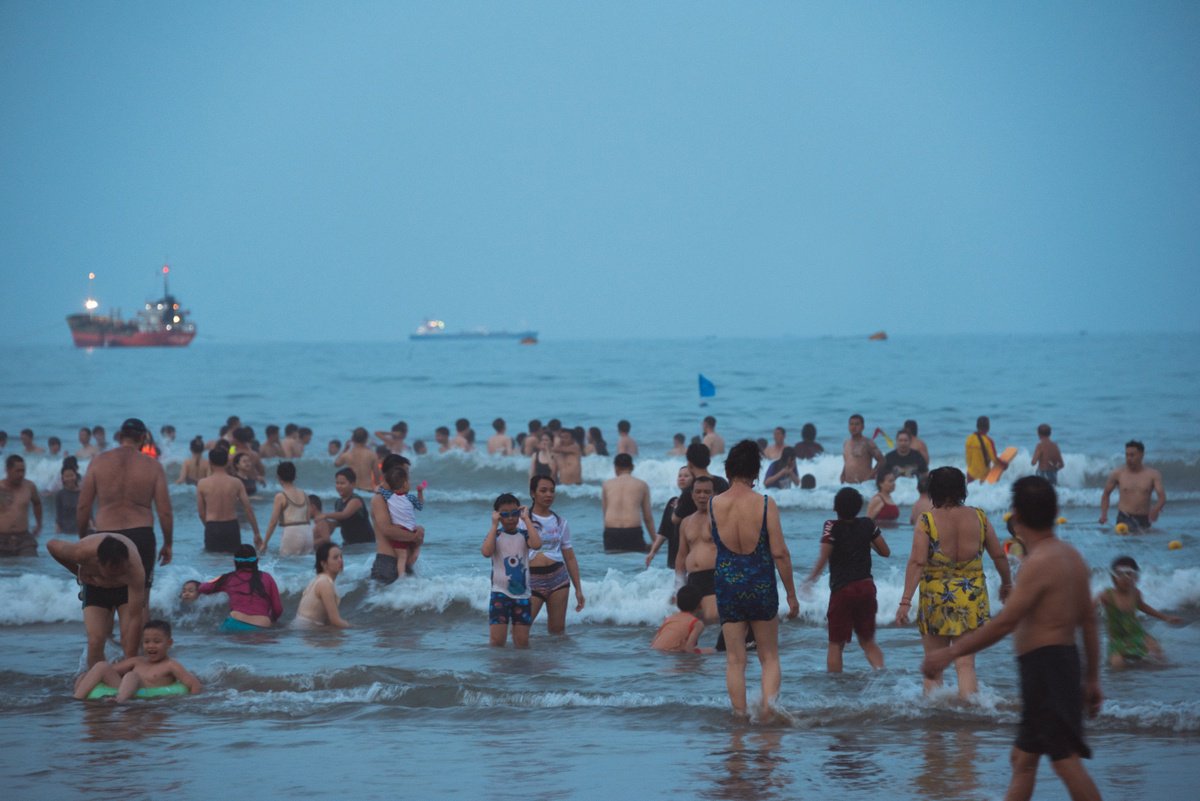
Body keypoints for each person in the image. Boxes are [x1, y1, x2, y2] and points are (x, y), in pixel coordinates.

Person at [922, 476, 1102, 801]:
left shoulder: (1039, 563)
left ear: (1016, 515)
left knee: (1065, 762)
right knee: (1022, 759)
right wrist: (1091, 677)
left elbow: (1005, 623)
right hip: (1057, 666)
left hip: (1047, 669)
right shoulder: (1071, 556)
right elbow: (1089, 621)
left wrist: (950, 654)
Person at [895, 466, 1013, 699]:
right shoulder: (979, 517)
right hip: (971, 597)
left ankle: (932, 726)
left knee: (934, 668)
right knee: (966, 664)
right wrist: (1006, 583)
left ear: (933, 490)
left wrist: (905, 601)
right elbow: (999, 555)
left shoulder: (927, 521)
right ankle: (968, 725)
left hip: (936, 598)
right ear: (962, 489)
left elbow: (917, 562)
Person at [710, 441, 799, 718]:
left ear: (728, 470)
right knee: (768, 656)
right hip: (760, 583)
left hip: (727, 584)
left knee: (735, 660)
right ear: (756, 472)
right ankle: (767, 714)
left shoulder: (715, 503)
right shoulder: (764, 503)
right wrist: (791, 595)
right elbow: (780, 553)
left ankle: (739, 717)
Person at [75, 418, 173, 603]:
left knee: (103, 600)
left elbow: (83, 506)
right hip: (141, 535)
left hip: (105, 536)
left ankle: (108, 632)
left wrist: (83, 539)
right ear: (144, 438)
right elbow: (165, 512)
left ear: (120, 436)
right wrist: (168, 543)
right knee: (140, 602)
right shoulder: (153, 466)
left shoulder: (98, 462)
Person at [803, 487, 890, 672]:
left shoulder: (831, 526)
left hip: (843, 590)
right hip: (866, 587)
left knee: (836, 644)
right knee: (868, 641)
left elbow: (824, 556)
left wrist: (810, 579)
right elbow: (885, 552)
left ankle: (835, 687)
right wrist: (866, 540)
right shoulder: (868, 524)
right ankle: (882, 676)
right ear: (859, 507)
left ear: (836, 508)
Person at [47, 532, 146, 665]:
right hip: (96, 587)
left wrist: (130, 662)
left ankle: (129, 670)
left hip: (125, 590)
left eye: (121, 571)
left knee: (129, 639)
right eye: (112, 572)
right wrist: (76, 571)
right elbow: (51, 545)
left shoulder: (135, 570)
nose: (117, 575)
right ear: (98, 562)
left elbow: (135, 618)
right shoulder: (81, 552)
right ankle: (97, 676)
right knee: (95, 641)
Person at [73, 620, 202, 702]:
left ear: (169, 643)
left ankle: (119, 701)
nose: (151, 646)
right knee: (100, 666)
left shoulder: (171, 665)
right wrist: (85, 677)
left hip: (142, 693)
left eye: (157, 642)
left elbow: (194, 684)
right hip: (124, 688)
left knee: (132, 675)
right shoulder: (138, 661)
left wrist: (189, 704)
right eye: (146, 642)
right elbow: (109, 671)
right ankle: (77, 699)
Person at [523, 475, 585, 634]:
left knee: (557, 632)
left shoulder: (560, 522)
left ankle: (553, 659)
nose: (548, 494)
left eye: (552, 491)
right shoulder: (522, 520)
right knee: (521, 629)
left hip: (558, 579)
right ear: (533, 493)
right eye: (543, 490)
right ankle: (517, 659)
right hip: (532, 579)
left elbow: (569, 557)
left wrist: (578, 589)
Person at [1096, 555, 1183, 667]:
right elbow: (1090, 608)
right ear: (1113, 578)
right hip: (1117, 639)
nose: (1125, 578)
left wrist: (1165, 617)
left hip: (1137, 634)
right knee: (1117, 666)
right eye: (1121, 575)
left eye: (1129, 574)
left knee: (1158, 653)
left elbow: (1144, 607)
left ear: (1135, 577)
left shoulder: (1135, 593)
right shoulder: (1107, 595)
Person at [482, 493, 542, 647]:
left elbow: (536, 544)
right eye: (505, 514)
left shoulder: (524, 534)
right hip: (499, 594)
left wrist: (526, 519)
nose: (510, 518)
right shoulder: (495, 535)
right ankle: (497, 669)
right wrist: (494, 525)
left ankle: (518, 670)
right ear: (498, 515)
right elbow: (486, 552)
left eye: (514, 513)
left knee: (522, 642)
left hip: (523, 595)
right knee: (497, 641)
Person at [197, 545, 283, 631]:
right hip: (262, 628)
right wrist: (272, 621)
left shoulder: (228, 578)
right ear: (257, 561)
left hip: (234, 625)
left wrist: (220, 578)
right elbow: (278, 609)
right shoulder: (267, 578)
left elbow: (203, 588)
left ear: (234, 562)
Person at [675, 475, 719, 625]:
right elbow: (681, 556)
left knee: (712, 618)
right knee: (692, 623)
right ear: (692, 494)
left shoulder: (720, 518)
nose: (702, 496)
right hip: (692, 580)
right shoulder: (686, 522)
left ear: (714, 494)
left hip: (713, 576)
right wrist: (679, 584)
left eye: (707, 492)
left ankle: (721, 649)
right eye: (698, 491)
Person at [196, 447, 258, 553]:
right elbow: (248, 509)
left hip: (212, 525)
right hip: (231, 526)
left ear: (210, 462)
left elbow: (201, 513)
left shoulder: (202, 483)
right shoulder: (236, 482)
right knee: (232, 560)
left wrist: (209, 528)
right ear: (227, 462)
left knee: (213, 563)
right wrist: (256, 533)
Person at [1099, 440, 1165, 532]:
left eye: (1132, 455)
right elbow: (1106, 494)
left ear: (1141, 455)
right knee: (1129, 540)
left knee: (1146, 542)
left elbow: (1162, 497)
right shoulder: (1118, 474)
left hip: (1144, 519)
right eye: (1127, 455)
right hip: (1124, 518)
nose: (1129, 458)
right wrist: (1104, 515)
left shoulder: (1153, 475)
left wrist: (1156, 509)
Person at [375, 462, 425, 576]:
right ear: (405, 485)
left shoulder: (389, 497)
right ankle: (413, 558)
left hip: (398, 531)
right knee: (418, 542)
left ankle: (401, 577)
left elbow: (379, 489)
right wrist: (420, 492)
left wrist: (381, 486)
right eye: (408, 481)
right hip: (410, 530)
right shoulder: (410, 497)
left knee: (401, 557)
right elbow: (420, 506)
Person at [601, 454, 655, 553]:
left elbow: (605, 514)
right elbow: (647, 518)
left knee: (612, 565)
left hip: (611, 531)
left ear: (615, 467)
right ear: (632, 467)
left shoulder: (606, 484)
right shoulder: (642, 485)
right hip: (633, 531)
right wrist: (655, 541)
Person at [259, 461, 313, 556]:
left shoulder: (281, 496)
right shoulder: (305, 494)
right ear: (295, 476)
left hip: (292, 533)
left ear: (279, 477)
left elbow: (273, 522)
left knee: (287, 565)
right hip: (307, 533)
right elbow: (308, 518)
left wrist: (265, 543)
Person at [295, 542, 352, 628]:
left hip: (303, 629)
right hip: (306, 631)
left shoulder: (319, 579)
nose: (340, 560)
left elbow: (329, 620)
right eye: (335, 558)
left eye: (341, 556)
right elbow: (335, 621)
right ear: (323, 564)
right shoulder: (325, 583)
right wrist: (356, 628)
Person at [671, 443, 730, 525]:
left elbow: (675, 519)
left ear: (689, 464)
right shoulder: (722, 482)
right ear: (708, 461)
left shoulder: (692, 489)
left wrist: (676, 506)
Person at [646, 465, 691, 568]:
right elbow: (664, 531)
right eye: (679, 476)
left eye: (686, 476)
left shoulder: (695, 503)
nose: (682, 478)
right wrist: (652, 552)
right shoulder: (672, 502)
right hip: (673, 553)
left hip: (690, 554)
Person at [650, 585, 714, 654]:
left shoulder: (669, 618)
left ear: (677, 603)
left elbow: (653, 642)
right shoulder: (697, 623)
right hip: (670, 653)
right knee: (712, 650)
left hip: (656, 651)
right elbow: (689, 649)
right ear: (700, 605)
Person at [0, 455, 42, 556]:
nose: (21, 474)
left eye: (23, 471)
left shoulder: (29, 487)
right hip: (1, 538)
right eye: (17, 471)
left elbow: (37, 503)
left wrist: (38, 524)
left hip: (24, 539)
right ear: (8, 470)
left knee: (31, 565)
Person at [321, 467, 374, 546]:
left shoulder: (356, 500)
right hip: (348, 543)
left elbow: (344, 515)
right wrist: (325, 526)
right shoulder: (338, 502)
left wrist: (324, 515)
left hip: (365, 544)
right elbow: (338, 522)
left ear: (352, 484)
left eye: (342, 483)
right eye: (337, 483)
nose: (339, 486)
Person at [840, 414, 882, 484]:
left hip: (864, 486)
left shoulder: (868, 443)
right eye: (851, 424)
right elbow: (847, 461)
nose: (853, 427)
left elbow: (882, 461)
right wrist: (843, 474)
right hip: (848, 484)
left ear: (862, 427)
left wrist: (870, 476)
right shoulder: (846, 443)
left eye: (857, 424)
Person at [964, 415, 1004, 483]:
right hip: (983, 476)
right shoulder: (988, 441)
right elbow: (994, 460)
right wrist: (1004, 464)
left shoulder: (969, 439)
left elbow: (968, 458)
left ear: (977, 426)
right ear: (988, 427)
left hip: (970, 475)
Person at [55, 464, 82, 534]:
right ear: (63, 478)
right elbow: (58, 517)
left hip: (81, 531)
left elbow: (89, 515)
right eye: (67, 476)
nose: (70, 478)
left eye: (72, 475)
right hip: (66, 532)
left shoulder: (82, 493)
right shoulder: (60, 494)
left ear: (76, 476)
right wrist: (57, 535)